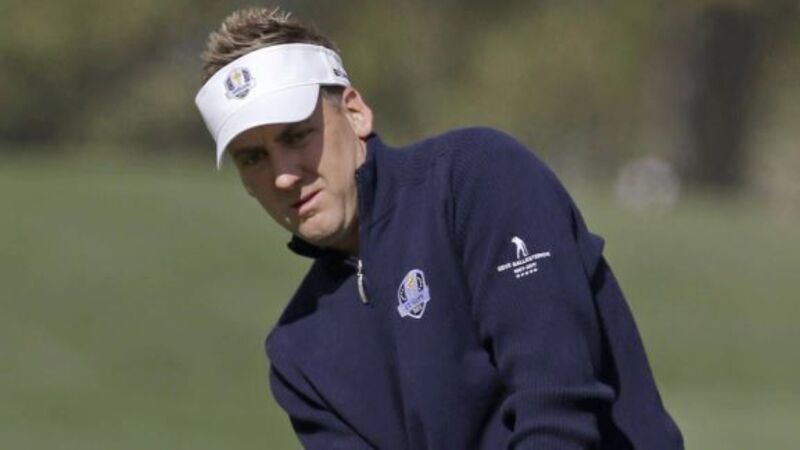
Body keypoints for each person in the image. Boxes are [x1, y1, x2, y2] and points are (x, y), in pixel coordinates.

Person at [195, 7, 684, 450]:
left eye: (297, 135)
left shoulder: (477, 178)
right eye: (253, 158)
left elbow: (558, 413)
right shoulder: (298, 353)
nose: (283, 175)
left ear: (355, 112)